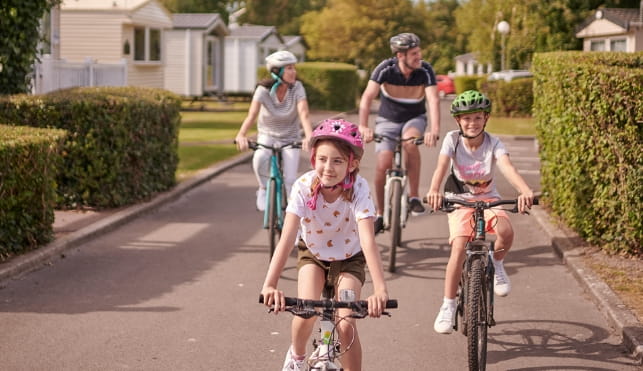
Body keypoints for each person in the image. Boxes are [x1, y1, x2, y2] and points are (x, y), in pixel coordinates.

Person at [260, 119, 390, 371]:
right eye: (322, 159)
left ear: (352, 164)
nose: (328, 167)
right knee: (306, 308)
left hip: (350, 259)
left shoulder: (360, 189)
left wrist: (380, 289)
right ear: (313, 159)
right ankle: (297, 357)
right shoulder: (303, 187)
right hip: (314, 255)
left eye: (337, 161)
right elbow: (287, 238)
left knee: (346, 321)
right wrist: (270, 284)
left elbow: (367, 239)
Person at [424, 90, 535, 334]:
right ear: (458, 121)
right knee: (459, 246)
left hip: (489, 198)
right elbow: (442, 167)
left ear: (485, 118)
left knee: (505, 230)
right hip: (459, 199)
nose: (472, 123)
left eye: (477, 118)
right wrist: (434, 190)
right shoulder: (452, 140)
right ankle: (448, 304)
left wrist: (525, 190)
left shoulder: (494, 143)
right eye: (466, 119)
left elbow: (506, 166)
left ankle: (498, 264)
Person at [358, 32, 441, 234]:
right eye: (414, 53)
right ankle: (379, 212)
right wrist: (363, 126)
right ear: (400, 56)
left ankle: (413, 197)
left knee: (410, 143)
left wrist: (434, 129)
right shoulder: (385, 68)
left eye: (419, 51)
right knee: (383, 163)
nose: (419, 56)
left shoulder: (425, 70)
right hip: (388, 119)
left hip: (414, 119)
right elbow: (368, 96)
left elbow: (433, 100)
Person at [235, 50, 313, 211]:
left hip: (291, 137)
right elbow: (252, 115)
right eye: (289, 68)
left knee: (291, 179)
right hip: (267, 135)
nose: (294, 72)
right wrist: (241, 135)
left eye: (294, 68)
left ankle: (291, 218)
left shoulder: (297, 88)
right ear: (277, 71)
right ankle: (263, 189)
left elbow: (304, 114)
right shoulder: (263, 90)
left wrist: (310, 137)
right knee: (259, 158)